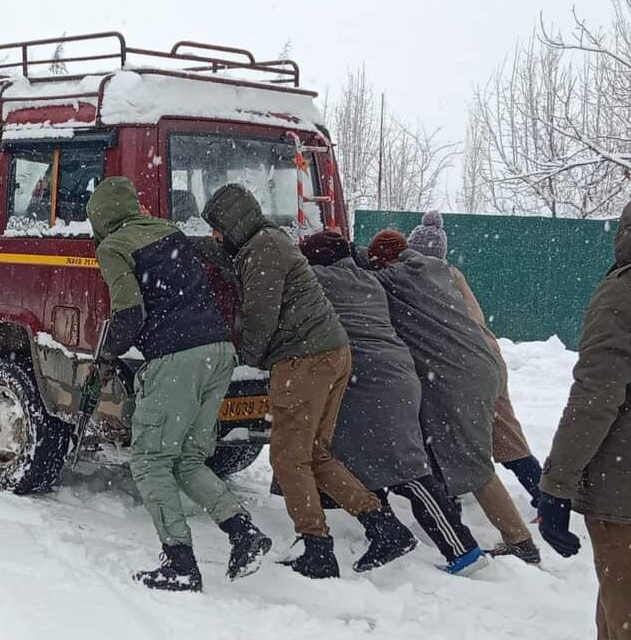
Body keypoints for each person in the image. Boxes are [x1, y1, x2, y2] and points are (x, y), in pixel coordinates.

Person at [201, 184, 416, 580]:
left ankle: (317, 547)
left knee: (288, 458)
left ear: (232, 223)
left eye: (217, 228)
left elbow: (260, 315)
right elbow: (237, 267)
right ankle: (385, 528)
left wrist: (245, 359)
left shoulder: (262, 250)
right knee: (315, 454)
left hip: (304, 359)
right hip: (331, 352)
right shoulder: (268, 241)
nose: (215, 235)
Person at [85, 177, 271, 593]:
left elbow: (129, 312)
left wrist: (109, 353)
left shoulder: (113, 246)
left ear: (100, 219)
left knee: (150, 462)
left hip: (178, 359)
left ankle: (180, 564)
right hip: (218, 351)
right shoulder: (169, 231)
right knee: (187, 459)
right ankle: (243, 534)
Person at [298, 231, 489, 575]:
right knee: (358, 458)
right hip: (388, 376)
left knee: (408, 470)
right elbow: (354, 257)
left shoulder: (320, 280)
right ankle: (385, 534)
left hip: (376, 381)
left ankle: (463, 551)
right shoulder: (368, 279)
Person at [368, 230, 541, 564]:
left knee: (473, 461)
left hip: (458, 376)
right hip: (484, 360)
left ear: (385, 262)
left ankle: (520, 542)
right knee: (484, 443)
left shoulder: (392, 281)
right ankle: (467, 512)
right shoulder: (438, 270)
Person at [406, 211, 544, 509]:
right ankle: (545, 499)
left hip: (464, 364)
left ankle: (449, 502)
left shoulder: (421, 278)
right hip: (489, 356)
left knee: (445, 434)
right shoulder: (452, 274)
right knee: (506, 435)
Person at [538, 202, 631, 640]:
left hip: (623, 490)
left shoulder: (623, 291)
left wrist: (557, 486)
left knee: (623, 609)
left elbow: (596, 395)